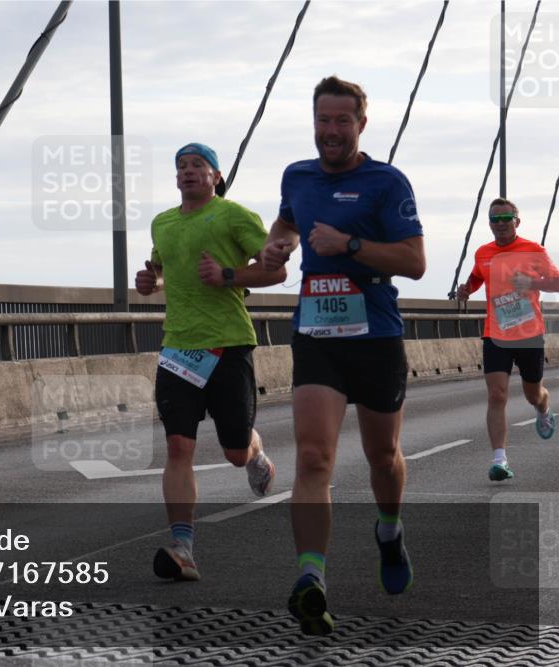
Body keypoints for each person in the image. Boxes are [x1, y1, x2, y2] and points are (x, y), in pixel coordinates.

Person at [261, 76, 426, 635]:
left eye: (342, 121)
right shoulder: (297, 175)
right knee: (313, 460)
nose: (331, 131)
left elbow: (416, 261)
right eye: (323, 120)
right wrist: (277, 240)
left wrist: (349, 245)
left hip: (376, 334)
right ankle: (311, 580)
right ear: (313, 121)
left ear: (361, 123)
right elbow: (286, 218)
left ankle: (389, 529)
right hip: (316, 333)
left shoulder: (386, 181)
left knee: (384, 458)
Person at [135, 142, 286, 582]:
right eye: (180, 165)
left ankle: (257, 455)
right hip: (178, 348)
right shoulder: (162, 222)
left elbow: (275, 271)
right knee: (179, 447)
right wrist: (151, 280)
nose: (187, 171)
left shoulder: (234, 216)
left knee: (235, 451)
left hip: (229, 345)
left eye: (197, 165)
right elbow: (162, 270)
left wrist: (228, 277)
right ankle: (183, 548)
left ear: (216, 175)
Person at [454, 198, 557, 482]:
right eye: (495, 220)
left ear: (517, 221)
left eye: (506, 218)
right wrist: (466, 290)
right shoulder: (483, 253)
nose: (500, 224)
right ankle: (500, 460)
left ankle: (544, 408)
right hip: (495, 333)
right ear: (489, 224)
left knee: (532, 394)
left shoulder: (534, 250)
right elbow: (476, 278)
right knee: (496, 395)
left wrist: (532, 283)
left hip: (529, 334)